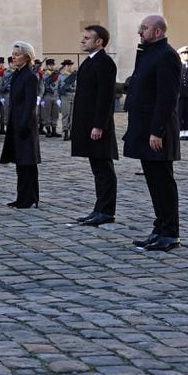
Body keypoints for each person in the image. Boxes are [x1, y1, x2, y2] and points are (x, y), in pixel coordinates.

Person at [124, 14, 182, 252]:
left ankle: (170, 233)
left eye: (144, 28)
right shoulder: (149, 53)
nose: (140, 32)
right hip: (144, 129)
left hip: (157, 132)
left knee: (163, 183)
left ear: (158, 32)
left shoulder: (167, 55)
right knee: (154, 184)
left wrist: (157, 131)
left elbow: (167, 98)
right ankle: (160, 228)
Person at [70, 26, 119, 226]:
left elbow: (106, 98)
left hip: (98, 126)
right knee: (97, 169)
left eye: (87, 38)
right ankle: (99, 208)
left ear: (99, 42)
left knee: (104, 169)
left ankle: (106, 211)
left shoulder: (105, 63)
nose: (83, 40)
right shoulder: (90, 61)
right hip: (87, 123)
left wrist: (99, 125)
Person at [0, 41, 42, 208]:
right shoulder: (17, 74)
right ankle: (22, 196)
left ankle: (30, 197)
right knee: (20, 162)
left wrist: (24, 125)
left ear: (27, 57)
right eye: (13, 54)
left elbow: (30, 103)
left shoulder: (30, 76)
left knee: (27, 163)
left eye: (17, 54)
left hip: (25, 124)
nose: (14, 57)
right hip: (16, 122)